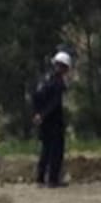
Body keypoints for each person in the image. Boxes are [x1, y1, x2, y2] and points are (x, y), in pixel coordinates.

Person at [32, 51, 72, 188]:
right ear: (65, 67)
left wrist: (37, 114)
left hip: (44, 121)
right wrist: (43, 115)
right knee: (56, 150)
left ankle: (40, 178)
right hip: (54, 121)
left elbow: (36, 96)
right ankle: (53, 180)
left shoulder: (44, 79)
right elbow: (55, 103)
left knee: (45, 149)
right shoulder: (58, 82)